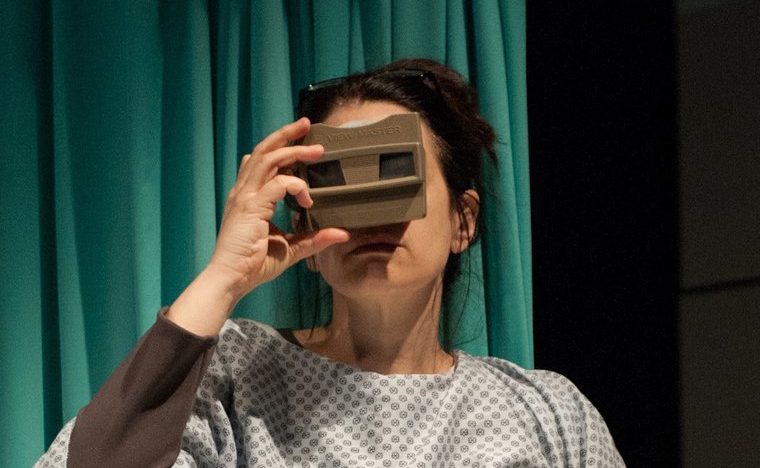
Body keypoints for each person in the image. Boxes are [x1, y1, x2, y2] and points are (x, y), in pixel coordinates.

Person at [36, 58, 625, 467]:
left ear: (462, 222)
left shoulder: (549, 413)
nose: (373, 213)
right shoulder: (235, 377)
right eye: (340, 183)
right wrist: (222, 277)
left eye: (396, 174)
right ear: (306, 227)